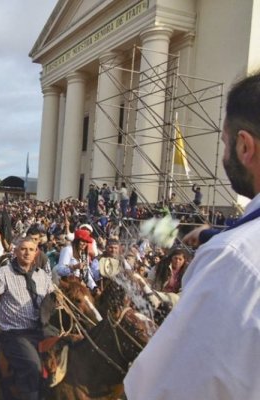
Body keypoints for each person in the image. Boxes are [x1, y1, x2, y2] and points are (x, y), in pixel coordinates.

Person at [125, 71, 260, 399]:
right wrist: (215, 234)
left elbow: (164, 391)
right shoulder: (232, 247)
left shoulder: (233, 259)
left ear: (245, 146)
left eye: (225, 144)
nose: (225, 154)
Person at [0, 237, 54, 400]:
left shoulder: (43, 276)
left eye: (31, 250)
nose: (27, 253)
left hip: (42, 331)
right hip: (15, 334)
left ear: (36, 253)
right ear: (15, 252)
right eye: (23, 249)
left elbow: (54, 298)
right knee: (33, 367)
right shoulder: (5, 273)